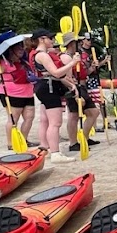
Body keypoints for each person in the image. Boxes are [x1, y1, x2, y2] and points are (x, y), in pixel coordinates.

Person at [29, 29, 78, 162]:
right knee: (55, 123)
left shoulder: (38, 54)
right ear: (42, 39)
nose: (53, 41)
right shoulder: (43, 55)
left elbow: (52, 74)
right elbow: (56, 73)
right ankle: (56, 153)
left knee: (47, 121)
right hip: (49, 87)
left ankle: (49, 148)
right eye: (50, 38)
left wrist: (70, 84)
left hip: (44, 86)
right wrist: (72, 63)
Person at [0, 30, 35, 150]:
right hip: (11, 93)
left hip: (27, 93)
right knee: (13, 118)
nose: (21, 49)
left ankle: (23, 139)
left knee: (29, 117)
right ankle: (11, 143)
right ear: (11, 50)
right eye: (18, 48)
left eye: (21, 47)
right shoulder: (2, 63)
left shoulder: (24, 62)